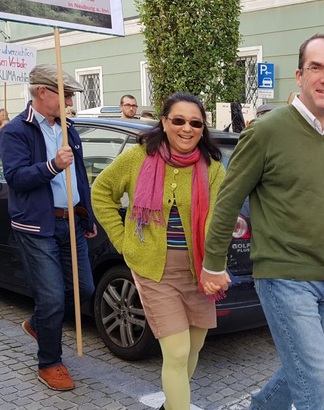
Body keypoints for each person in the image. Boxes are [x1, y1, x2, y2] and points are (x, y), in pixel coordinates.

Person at [201, 34, 324, 410]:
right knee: (319, 396)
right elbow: (228, 199)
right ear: (299, 75)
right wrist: (213, 263)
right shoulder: (267, 131)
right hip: (285, 280)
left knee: (301, 372)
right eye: (317, 68)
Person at [92, 92, 225, 410]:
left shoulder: (213, 168)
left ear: (203, 128)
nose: (187, 128)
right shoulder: (138, 158)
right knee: (177, 352)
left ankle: (171, 404)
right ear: (164, 122)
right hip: (155, 270)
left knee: (194, 347)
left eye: (195, 123)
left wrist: (216, 265)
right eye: (178, 120)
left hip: (198, 270)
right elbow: (101, 192)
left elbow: (220, 221)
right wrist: (123, 241)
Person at [0, 64, 95, 391]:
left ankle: (40, 323)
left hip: (72, 220)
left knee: (84, 289)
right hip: (36, 225)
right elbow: (16, 178)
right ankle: (50, 362)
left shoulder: (70, 129)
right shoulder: (16, 131)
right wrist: (53, 165)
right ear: (43, 92)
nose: (69, 101)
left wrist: (88, 216)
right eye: (65, 94)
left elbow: (81, 178)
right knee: (52, 296)